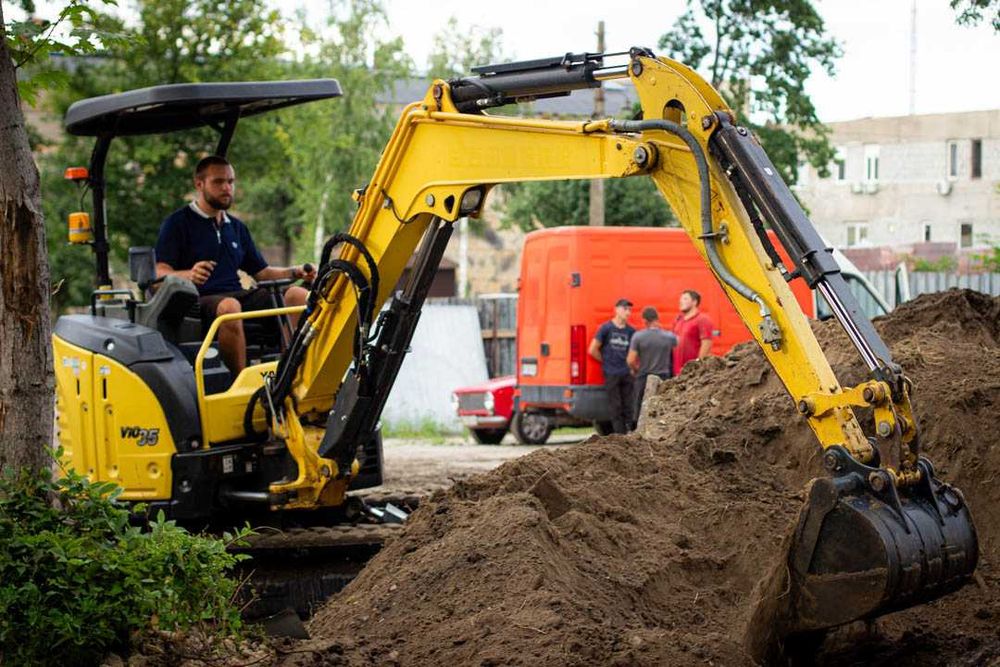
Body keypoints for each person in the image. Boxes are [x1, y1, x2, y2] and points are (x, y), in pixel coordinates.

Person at [154, 155, 316, 375]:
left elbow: (263, 273)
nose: (227, 188)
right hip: (196, 301)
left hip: (237, 295)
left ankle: (289, 371)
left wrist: (295, 271)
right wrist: (189, 274)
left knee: (297, 295)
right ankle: (240, 383)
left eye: (230, 181)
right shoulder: (177, 223)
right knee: (230, 308)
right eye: (218, 182)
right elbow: (158, 272)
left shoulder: (236, 227)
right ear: (199, 184)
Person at [589, 298, 636, 434]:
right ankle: (619, 436)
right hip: (611, 373)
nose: (627, 312)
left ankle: (630, 433)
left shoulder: (631, 331)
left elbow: (634, 353)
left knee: (628, 405)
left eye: (629, 310)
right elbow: (592, 349)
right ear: (616, 310)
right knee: (615, 406)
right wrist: (606, 361)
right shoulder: (606, 328)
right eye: (624, 309)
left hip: (626, 373)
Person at [627, 306, 678, 417]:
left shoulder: (638, 337)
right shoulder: (669, 337)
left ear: (644, 321)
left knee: (640, 408)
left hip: (643, 377)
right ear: (657, 319)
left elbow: (630, 360)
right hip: (663, 378)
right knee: (662, 409)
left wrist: (636, 370)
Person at [673, 289, 715, 374]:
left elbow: (707, 344)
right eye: (680, 299)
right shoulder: (678, 320)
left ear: (694, 302)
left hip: (692, 373)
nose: (681, 301)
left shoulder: (702, 319)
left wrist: (698, 366)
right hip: (677, 372)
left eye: (685, 299)